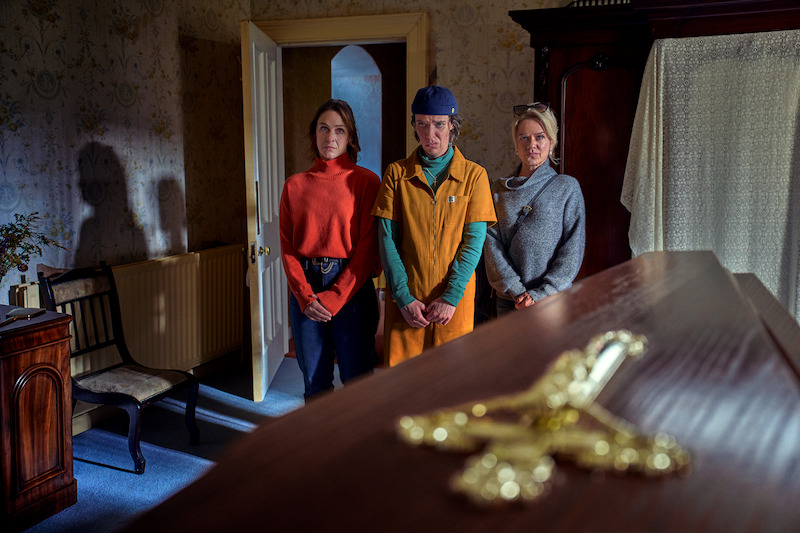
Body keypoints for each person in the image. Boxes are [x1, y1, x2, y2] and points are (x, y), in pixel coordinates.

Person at [372, 85, 497, 366]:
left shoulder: (474, 176)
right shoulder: (396, 173)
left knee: (450, 386)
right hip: (406, 301)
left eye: (439, 124)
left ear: (452, 126)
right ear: (414, 126)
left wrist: (450, 297)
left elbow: (473, 241)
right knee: (404, 386)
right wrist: (403, 297)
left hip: (454, 302)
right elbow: (386, 240)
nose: (430, 134)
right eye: (422, 124)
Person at [279, 99, 381, 400]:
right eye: (324, 129)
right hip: (305, 290)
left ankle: (358, 446)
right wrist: (305, 296)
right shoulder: (294, 185)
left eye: (339, 130)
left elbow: (368, 247)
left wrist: (336, 297)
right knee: (315, 383)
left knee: (358, 379)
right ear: (314, 135)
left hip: (352, 287)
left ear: (350, 138)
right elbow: (287, 247)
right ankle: (321, 446)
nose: (330, 137)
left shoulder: (365, 182)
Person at [483, 102, 586, 316]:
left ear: (551, 141)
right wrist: (517, 291)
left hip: (551, 301)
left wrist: (541, 293)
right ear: (516, 143)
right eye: (524, 137)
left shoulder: (566, 187)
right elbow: (491, 245)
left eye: (539, 137)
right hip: (509, 301)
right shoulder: (499, 191)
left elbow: (573, 249)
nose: (532, 144)